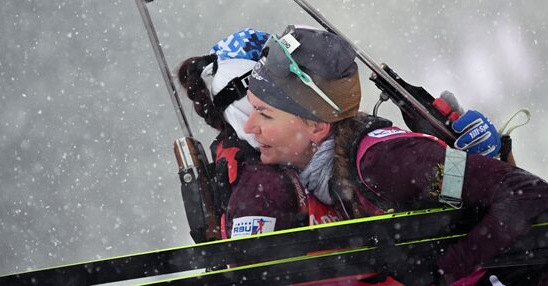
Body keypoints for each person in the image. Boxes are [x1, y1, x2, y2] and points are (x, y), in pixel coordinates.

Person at [243, 25, 548, 285]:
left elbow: (527, 193)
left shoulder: (387, 162)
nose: (249, 126)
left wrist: (444, 271)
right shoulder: (318, 169)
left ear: (316, 127)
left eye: (264, 115)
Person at [177, 28, 308, 239]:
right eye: (282, 81)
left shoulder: (280, 158)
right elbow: (255, 264)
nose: (298, 87)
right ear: (249, 100)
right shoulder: (261, 185)